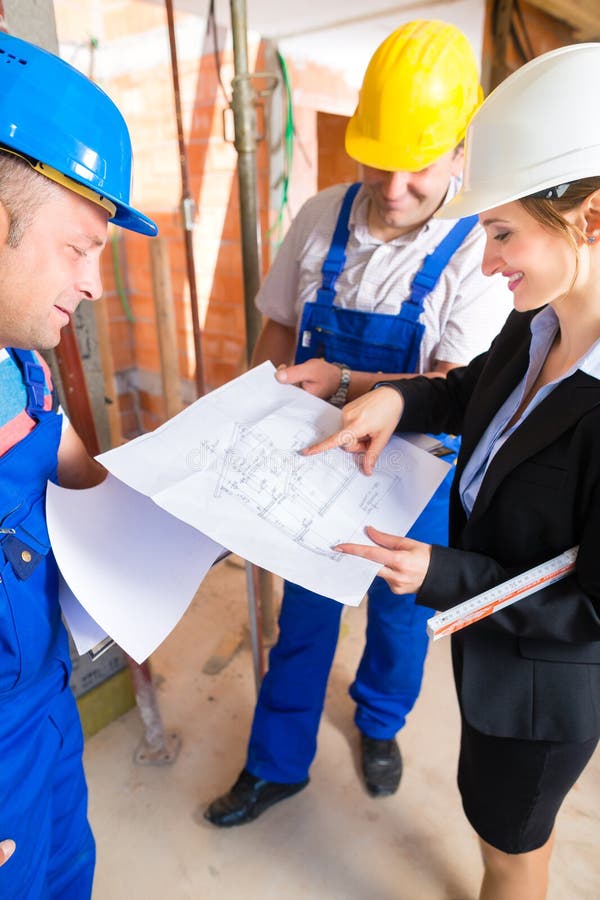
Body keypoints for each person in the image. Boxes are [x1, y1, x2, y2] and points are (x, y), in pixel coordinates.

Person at [304, 41, 600, 900]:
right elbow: (473, 391)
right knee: (489, 815)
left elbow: (592, 608)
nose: (485, 257)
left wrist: (443, 574)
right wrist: (397, 399)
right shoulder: (541, 316)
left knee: (511, 845)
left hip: (541, 686)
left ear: (589, 217)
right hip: (489, 642)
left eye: (503, 231)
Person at [205, 19, 511, 827]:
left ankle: (380, 723)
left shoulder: (478, 247)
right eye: (380, 158)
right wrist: (254, 404)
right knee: (300, 613)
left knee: (399, 619)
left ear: (458, 152)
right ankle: (277, 764)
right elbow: (277, 325)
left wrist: (346, 378)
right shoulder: (319, 216)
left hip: (417, 469)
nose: (394, 183)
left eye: (418, 164)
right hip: (314, 451)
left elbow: (456, 384)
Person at [0, 32, 156, 899]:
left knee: (67, 874)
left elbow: (89, 487)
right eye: (79, 247)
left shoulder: (24, 371)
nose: (96, 283)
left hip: (45, 711)